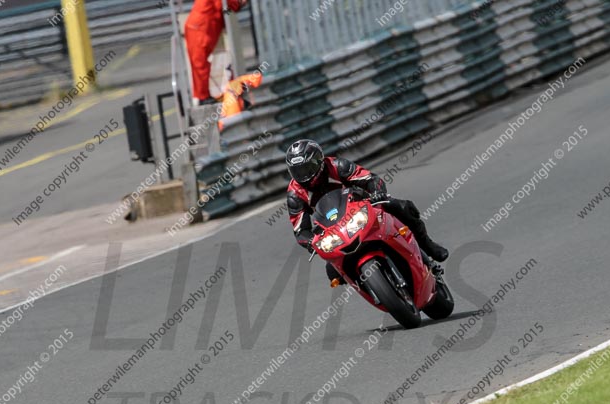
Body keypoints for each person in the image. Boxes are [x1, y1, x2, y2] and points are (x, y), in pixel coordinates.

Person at [285, 139, 449, 284]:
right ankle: (371, 286)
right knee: (333, 272)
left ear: (318, 162)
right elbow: (300, 230)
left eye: (307, 168)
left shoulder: (337, 166)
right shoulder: (295, 194)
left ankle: (428, 246)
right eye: (298, 171)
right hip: (333, 228)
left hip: (361, 207)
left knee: (402, 207)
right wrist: (311, 242)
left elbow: (371, 179)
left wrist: (377, 193)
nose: (303, 175)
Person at [184, 0, 247, 105]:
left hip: (201, 26)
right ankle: (202, 97)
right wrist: (238, 3)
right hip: (200, 27)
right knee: (200, 64)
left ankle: (202, 96)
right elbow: (222, 5)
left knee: (200, 64)